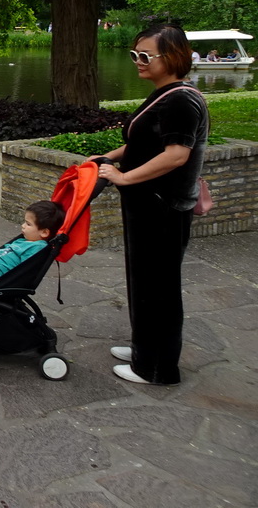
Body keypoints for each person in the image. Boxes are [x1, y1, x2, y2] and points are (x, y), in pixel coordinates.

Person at [95, 24, 209, 385]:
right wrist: (107, 157)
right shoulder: (166, 94)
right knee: (143, 282)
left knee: (159, 287)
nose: (138, 62)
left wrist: (125, 177)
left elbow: (176, 155)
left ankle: (157, 368)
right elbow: (145, 144)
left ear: (173, 57)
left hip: (163, 207)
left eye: (146, 56)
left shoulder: (181, 100)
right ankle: (145, 348)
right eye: (134, 55)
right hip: (147, 204)